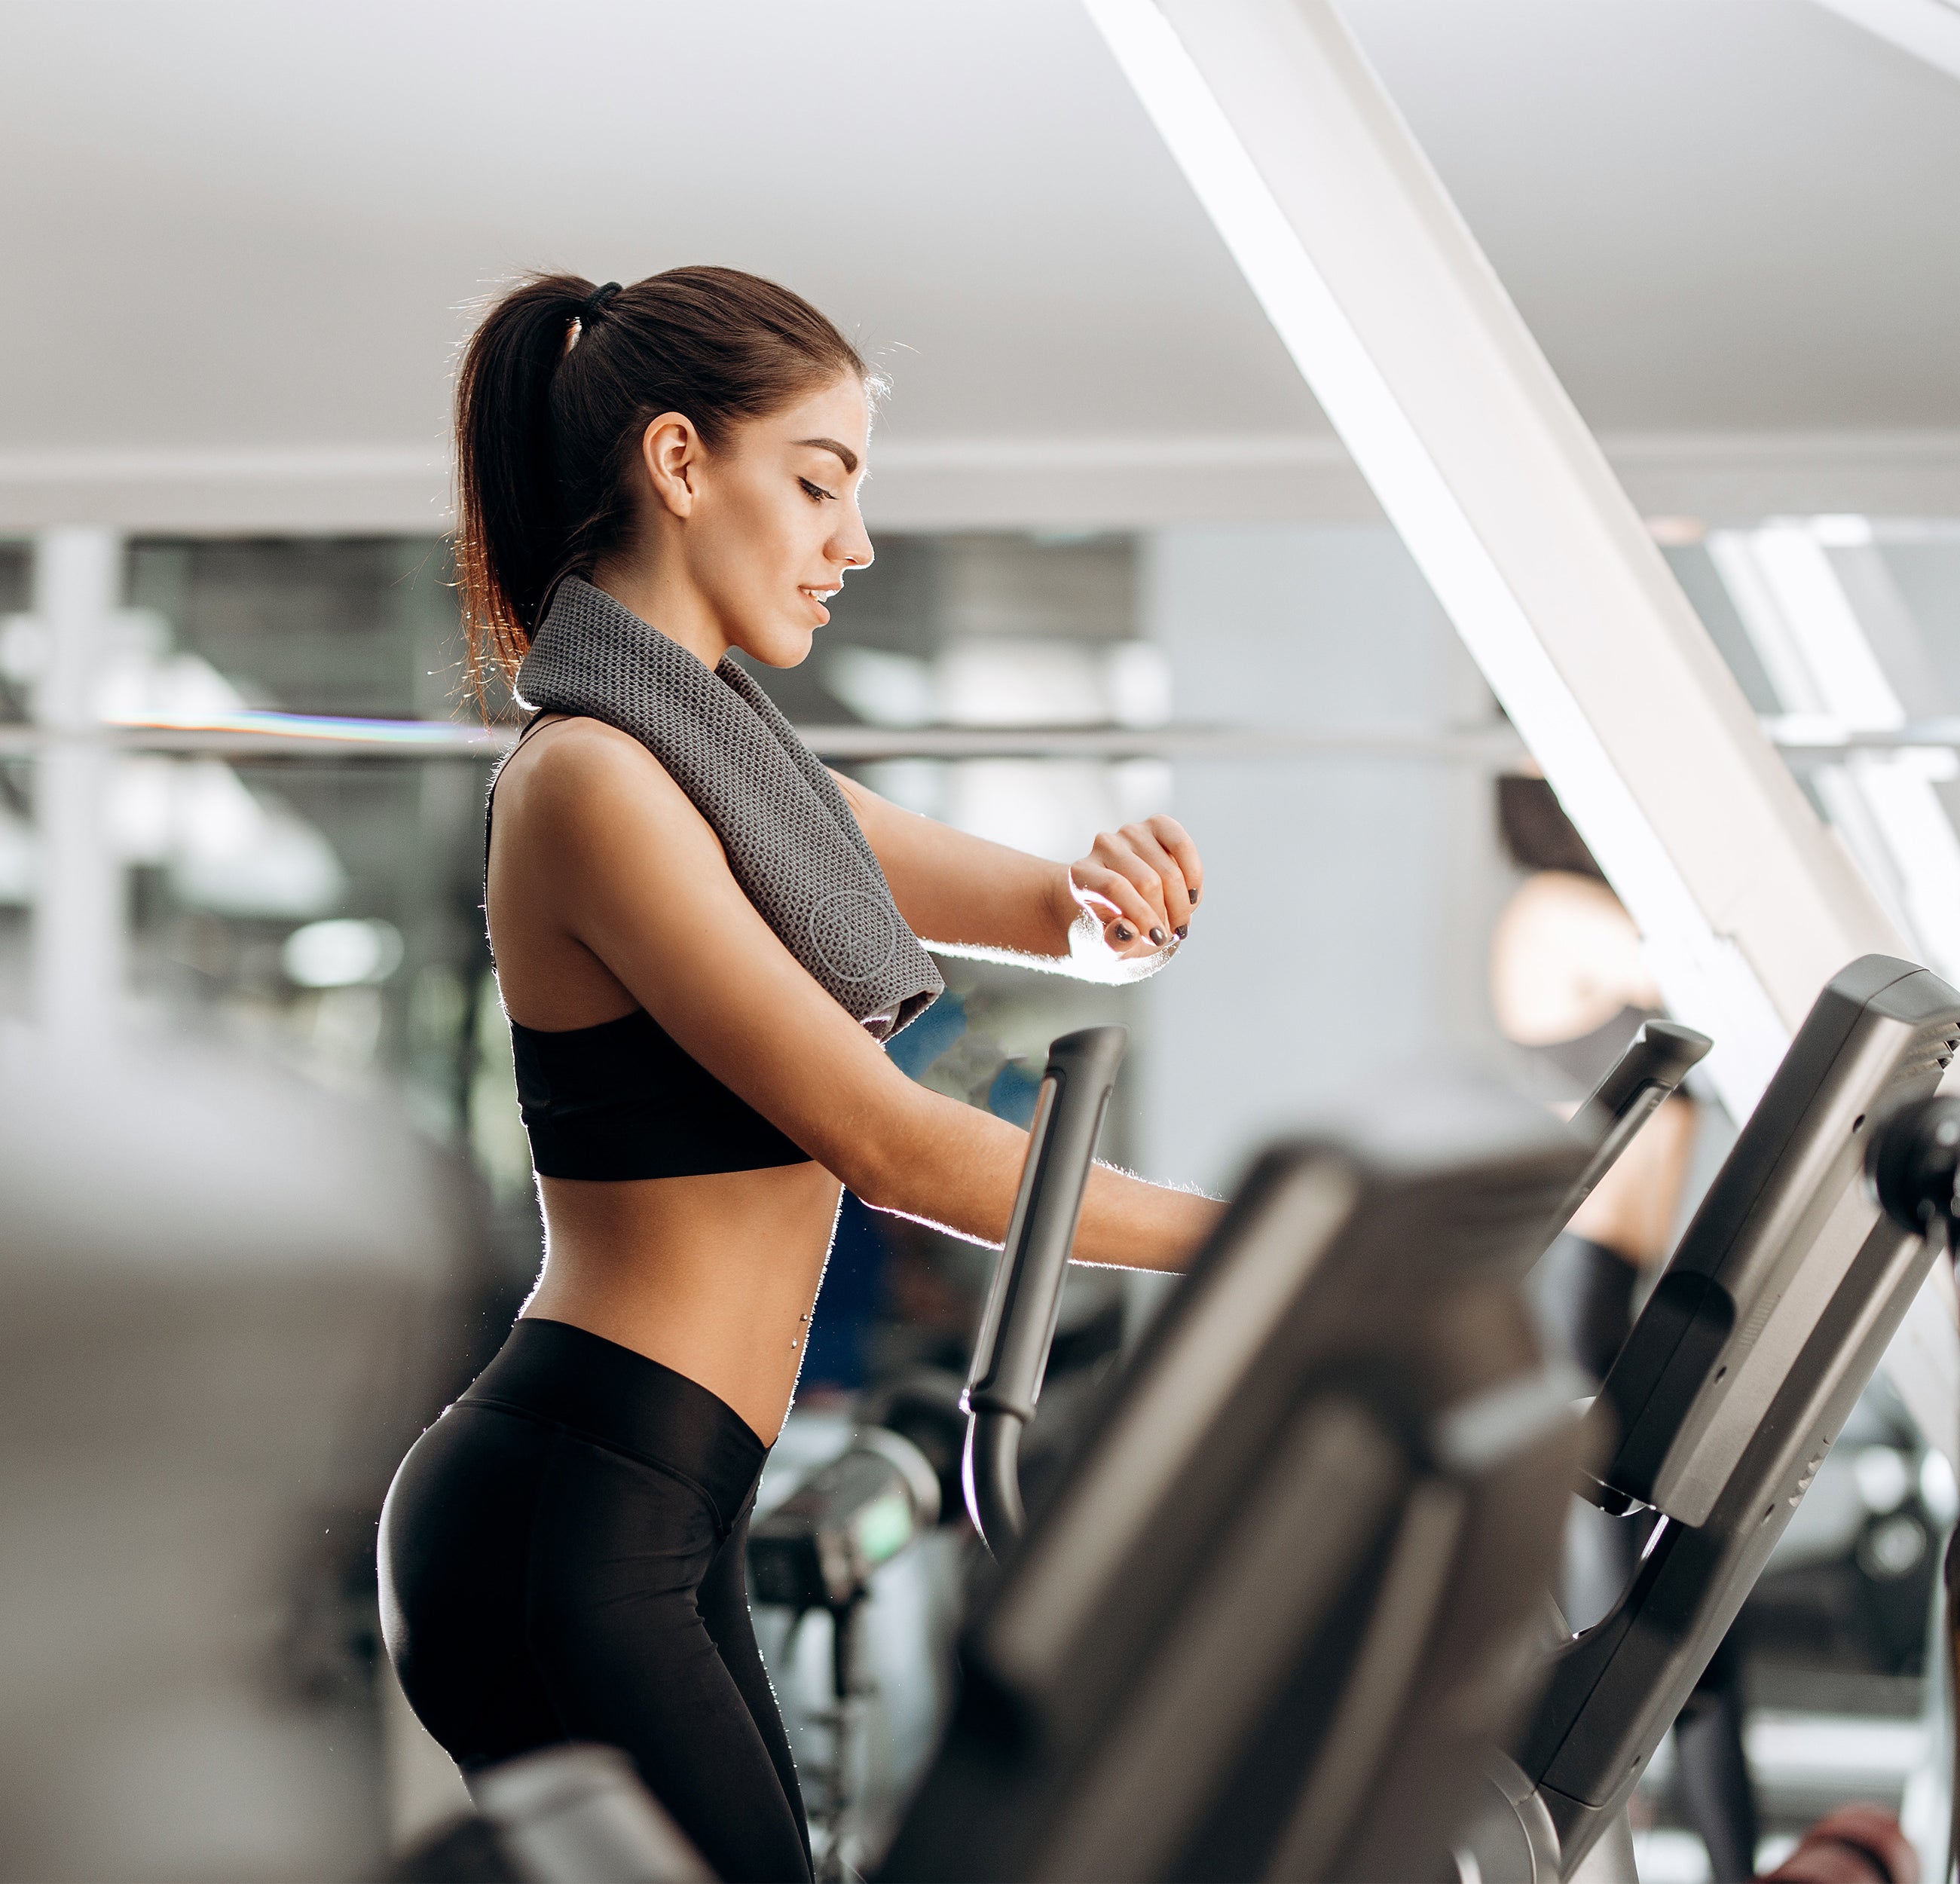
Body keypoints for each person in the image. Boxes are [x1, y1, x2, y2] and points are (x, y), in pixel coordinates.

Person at [377, 267, 1219, 1884]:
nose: (855, 539)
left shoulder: (733, 763)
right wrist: (1243, 1236)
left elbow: (1056, 915)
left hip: (656, 1494)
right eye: (818, 482)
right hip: (571, 1498)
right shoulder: (593, 781)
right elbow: (886, 1139)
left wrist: (1120, 897)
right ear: (681, 465)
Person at [1491, 772, 1760, 1882]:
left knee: (1691, 1625)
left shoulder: (1574, 914)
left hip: (1616, 1301)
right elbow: (1704, 967)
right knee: (1659, 1636)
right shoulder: (1551, 915)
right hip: (1574, 1303)